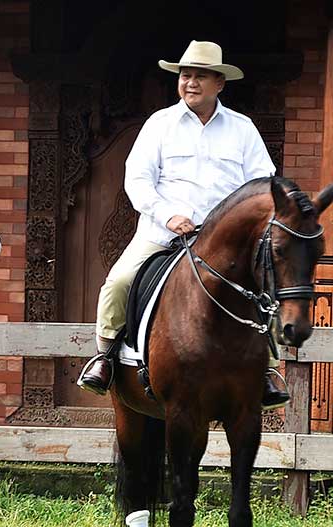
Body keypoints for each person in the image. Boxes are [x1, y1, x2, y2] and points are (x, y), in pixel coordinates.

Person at [77, 40, 289, 410]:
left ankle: (268, 370)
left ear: (219, 83)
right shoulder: (160, 125)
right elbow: (137, 180)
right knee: (118, 282)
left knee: (268, 287)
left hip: (225, 244)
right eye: (185, 75)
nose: (190, 83)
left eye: (200, 76)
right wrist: (167, 214)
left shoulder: (242, 130)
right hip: (163, 234)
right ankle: (105, 358)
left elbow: (261, 185)